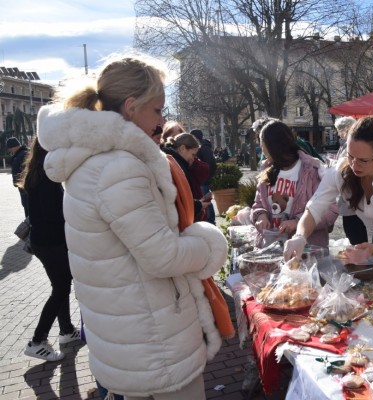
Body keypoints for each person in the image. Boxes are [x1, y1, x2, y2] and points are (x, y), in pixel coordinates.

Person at [37, 55, 228, 399]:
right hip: (156, 344)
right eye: (157, 111)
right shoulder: (118, 168)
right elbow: (163, 257)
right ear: (130, 107)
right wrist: (210, 242)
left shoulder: (92, 161)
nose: (161, 120)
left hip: (132, 338)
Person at [283, 116, 373, 281]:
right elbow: (315, 208)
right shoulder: (340, 170)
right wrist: (300, 237)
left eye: (363, 160)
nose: (354, 165)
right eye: (350, 156)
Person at [19, 137, 81, 362]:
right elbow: (52, 215)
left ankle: (66, 331)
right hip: (50, 241)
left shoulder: (38, 173)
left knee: (61, 285)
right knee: (61, 288)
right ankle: (37, 341)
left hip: (45, 241)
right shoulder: (46, 177)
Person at [251, 120, 338, 248]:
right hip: (271, 248)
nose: (266, 157)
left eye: (268, 153)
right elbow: (258, 203)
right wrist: (260, 216)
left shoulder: (312, 170)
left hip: (307, 250)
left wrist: (298, 222)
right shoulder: (267, 169)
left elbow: (331, 210)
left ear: (277, 148)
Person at [334, 116, 368, 245]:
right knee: (352, 227)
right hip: (348, 193)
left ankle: (361, 254)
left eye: (339, 130)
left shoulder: (352, 144)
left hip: (352, 191)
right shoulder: (346, 144)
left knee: (353, 227)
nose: (338, 133)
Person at [163, 133, 211, 222]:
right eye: (193, 154)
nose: (193, 159)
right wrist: (198, 205)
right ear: (182, 148)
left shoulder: (176, 162)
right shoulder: (176, 164)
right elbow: (179, 198)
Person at [190, 129, 217, 225]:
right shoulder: (201, 147)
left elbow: (212, 164)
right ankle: (209, 219)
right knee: (204, 200)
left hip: (203, 180)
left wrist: (206, 177)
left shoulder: (204, 148)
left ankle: (210, 220)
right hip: (201, 180)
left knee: (206, 202)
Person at [7, 137, 29, 217]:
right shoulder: (19, 155)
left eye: (10, 148)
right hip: (22, 185)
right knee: (26, 205)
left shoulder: (23, 154)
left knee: (28, 206)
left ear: (14, 146)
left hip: (26, 186)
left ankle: (30, 226)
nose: (9, 150)